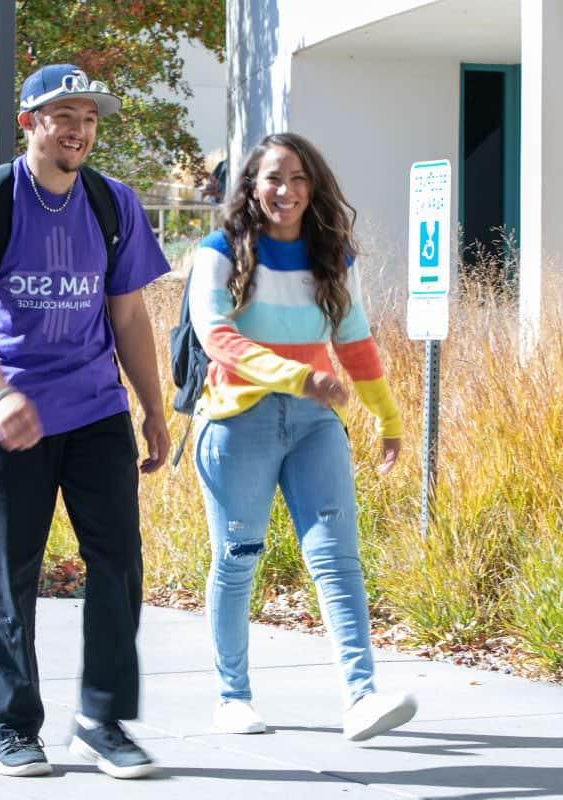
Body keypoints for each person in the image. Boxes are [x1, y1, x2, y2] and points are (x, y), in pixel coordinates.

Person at [0, 64, 170, 780]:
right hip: (6, 419)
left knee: (119, 561)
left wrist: (153, 406)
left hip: (96, 410)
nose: (79, 129)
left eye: (89, 117)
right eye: (64, 115)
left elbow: (127, 312)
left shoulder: (113, 202)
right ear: (29, 122)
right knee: (11, 574)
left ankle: (102, 718)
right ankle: (14, 725)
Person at [187, 132, 417, 741]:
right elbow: (218, 338)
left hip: (314, 426)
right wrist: (299, 376)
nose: (284, 191)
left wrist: (387, 418)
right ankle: (232, 696)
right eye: (272, 178)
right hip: (238, 421)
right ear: (251, 186)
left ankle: (361, 698)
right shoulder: (217, 252)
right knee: (238, 560)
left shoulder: (333, 258)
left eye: (297, 179)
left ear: (313, 187)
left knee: (338, 560)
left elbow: (357, 342)